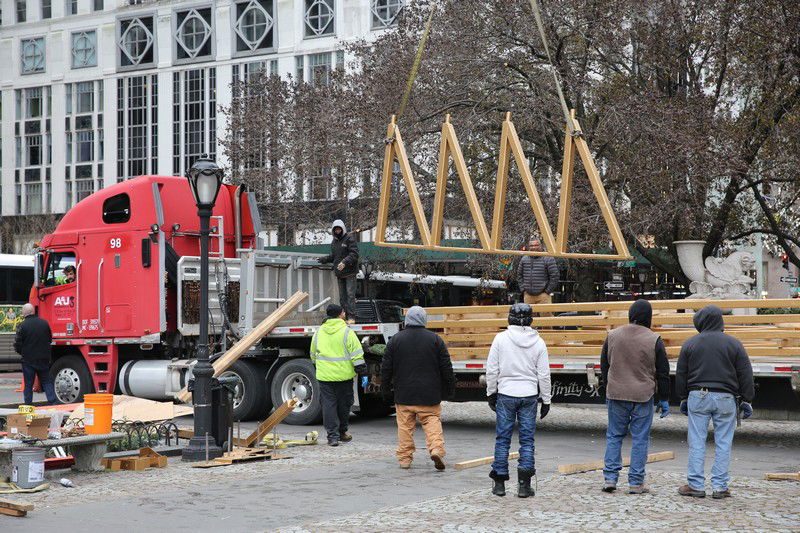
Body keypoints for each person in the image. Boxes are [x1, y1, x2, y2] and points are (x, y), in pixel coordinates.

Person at [675, 305, 754, 499]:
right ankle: (720, 487)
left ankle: (695, 485)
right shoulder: (734, 344)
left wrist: (683, 397)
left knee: (697, 441)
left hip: (698, 396)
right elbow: (745, 373)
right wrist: (747, 399)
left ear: (700, 322)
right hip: (726, 397)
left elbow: (681, 373)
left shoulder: (690, 343)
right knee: (723, 443)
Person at [600, 299, 670, 494]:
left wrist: (608, 387)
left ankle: (610, 478)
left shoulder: (612, 335)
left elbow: (604, 365)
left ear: (631, 315)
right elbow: (663, 372)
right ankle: (636, 483)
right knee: (640, 439)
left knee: (614, 436)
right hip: (643, 395)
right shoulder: (654, 339)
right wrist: (664, 398)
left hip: (617, 393)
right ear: (649, 317)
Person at [486, 303, 551, 498]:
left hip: (506, 393)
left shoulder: (500, 339)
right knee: (527, 440)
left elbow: (492, 369)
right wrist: (546, 399)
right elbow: (544, 374)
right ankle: (524, 485)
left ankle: (499, 483)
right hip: (529, 394)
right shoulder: (539, 342)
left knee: (503, 439)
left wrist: (491, 392)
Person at [381, 306, 454, 471]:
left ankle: (405, 459)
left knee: (405, 427)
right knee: (432, 422)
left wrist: (385, 390)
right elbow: (446, 366)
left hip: (404, 393)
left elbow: (386, 368)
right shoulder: (435, 339)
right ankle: (436, 449)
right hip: (429, 394)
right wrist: (450, 387)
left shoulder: (395, 340)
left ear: (407, 320)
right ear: (423, 320)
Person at [310, 304, 366, 446]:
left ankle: (332, 437)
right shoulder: (347, 332)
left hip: (324, 377)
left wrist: (321, 368)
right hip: (344, 377)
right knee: (344, 405)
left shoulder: (318, 332)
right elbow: (357, 355)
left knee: (328, 406)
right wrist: (363, 372)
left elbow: (313, 354)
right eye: (343, 312)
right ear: (340, 314)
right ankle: (342, 433)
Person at [14, 303, 57, 405]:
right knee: (46, 381)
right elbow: (50, 339)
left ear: (24, 313)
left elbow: (17, 343)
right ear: (33, 311)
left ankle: (28, 405)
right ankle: (53, 402)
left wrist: (22, 353)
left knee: (28, 384)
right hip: (44, 359)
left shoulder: (22, 325)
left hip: (28, 360)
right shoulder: (44, 323)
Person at [318, 220, 360, 322]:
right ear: (333, 230)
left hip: (350, 272)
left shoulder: (349, 239)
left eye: (339, 229)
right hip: (340, 274)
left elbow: (354, 254)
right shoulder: (334, 242)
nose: (337, 231)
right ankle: (344, 316)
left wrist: (344, 262)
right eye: (336, 230)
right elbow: (334, 256)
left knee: (350, 295)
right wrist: (324, 259)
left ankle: (351, 317)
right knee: (342, 298)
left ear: (343, 229)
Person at [516, 238, 559, 316]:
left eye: (536, 245)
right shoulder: (524, 259)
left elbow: (554, 276)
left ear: (541, 245)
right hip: (528, 295)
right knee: (529, 320)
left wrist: (547, 291)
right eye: (531, 245)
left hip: (543, 296)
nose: (534, 247)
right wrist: (523, 290)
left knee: (546, 320)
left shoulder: (548, 258)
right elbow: (519, 275)